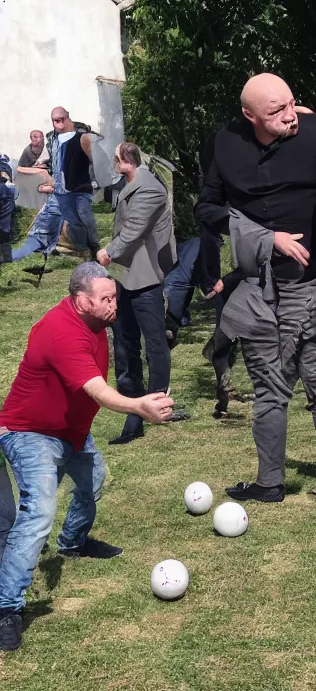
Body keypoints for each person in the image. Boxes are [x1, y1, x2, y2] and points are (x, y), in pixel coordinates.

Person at [196, 73, 316, 501]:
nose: (290, 117)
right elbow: (206, 207)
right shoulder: (227, 143)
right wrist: (264, 238)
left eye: (291, 104)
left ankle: (289, 481)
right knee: (295, 378)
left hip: (309, 282)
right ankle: (295, 480)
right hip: (258, 286)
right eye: (276, 111)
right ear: (250, 116)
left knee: (286, 382)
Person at [0, 263, 175, 652]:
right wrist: (136, 407)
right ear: (82, 301)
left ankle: (73, 542)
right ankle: (6, 608)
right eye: (107, 299)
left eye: (114, 296)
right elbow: (97, 389)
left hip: (71, 433)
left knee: (92, 481)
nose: (114, 304)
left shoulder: (97, 324)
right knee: (39, 513)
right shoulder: (61, 330)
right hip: (29, 433)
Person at [96, 142, 177, 445]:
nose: (114, 164)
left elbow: (133, 230)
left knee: (154, 341)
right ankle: (133, 409)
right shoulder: (128, 183)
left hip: (144, 276)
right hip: (124, 275)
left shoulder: (150, 188)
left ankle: (158, 403)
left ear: (126, 161)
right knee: (124, 341)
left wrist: (108, 252)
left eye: (116, 160)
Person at [47, 107, 102, 259]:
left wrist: (96, 180)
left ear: (67, 119)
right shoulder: (53, 140)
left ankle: (95, 248)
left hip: (80, 189)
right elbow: (55, 163)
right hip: (61, 190)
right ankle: (83, 250)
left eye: (59, 120)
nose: (57, 124)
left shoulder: (81, 138)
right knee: (73, 221)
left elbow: (96, 161)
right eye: (54, 121)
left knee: (86, 218)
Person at [0, 156, 18, 263]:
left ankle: (7, 258)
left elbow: (7, 177)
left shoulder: (3, 162)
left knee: (4, 231)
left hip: (5, 203)